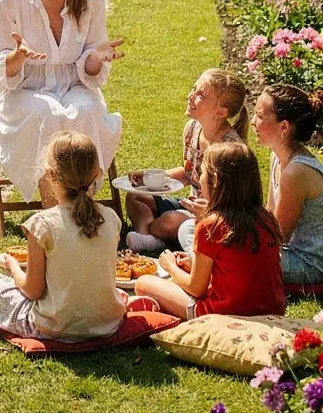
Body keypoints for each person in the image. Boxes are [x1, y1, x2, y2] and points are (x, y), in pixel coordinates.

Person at [0, 0, 123, 201]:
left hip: (73, 86)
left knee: (84, 111)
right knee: (47, 113)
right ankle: (53, 210)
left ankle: (82, 206)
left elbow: (89, 63)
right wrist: (18, 58)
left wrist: (97, 57)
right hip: (23, 90)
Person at [0, 131, 132, 337]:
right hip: (108, 323)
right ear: (97, 174)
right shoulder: (111, 218)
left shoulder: (42, 224)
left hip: (56, 327)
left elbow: (33, 291)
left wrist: (12, 267)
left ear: (51, 176)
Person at [136, 142, 285, 319]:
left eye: (203, 173)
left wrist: (170, 266)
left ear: (215, 181)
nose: (199, 179)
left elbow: (196, 289)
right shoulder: (266, 218)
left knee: (143, 283)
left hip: (222, 313)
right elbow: (238, 271)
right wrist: (192, 265)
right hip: (271, 310)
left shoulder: (211, 225)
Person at [125, 68, 248, 254]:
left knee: (169, 221)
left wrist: (207, 211)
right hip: (189, 204)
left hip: (213, 215)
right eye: (194, 88)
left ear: (221, 112)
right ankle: (148, 239)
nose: (191, 96)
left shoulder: (230, 150)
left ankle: (153, 234)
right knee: (134, 195)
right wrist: (150, 178)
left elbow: (237, 207)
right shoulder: (192, 129)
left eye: (201, 95)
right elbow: (188, 171)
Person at [253, 84, 323, 287]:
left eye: (259, 116)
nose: (253, 122)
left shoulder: (297, 171)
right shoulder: (278, 156)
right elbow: (269, 214)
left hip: (309, 261)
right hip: (287, 251)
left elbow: (278, 235)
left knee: (234, 255)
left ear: (283, 127)